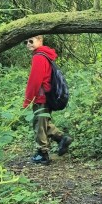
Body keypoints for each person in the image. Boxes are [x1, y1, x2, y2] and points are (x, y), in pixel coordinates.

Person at [22, 35, 72, 166]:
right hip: (46, 96)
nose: (28, 43)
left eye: (31, 41)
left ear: (40, 40)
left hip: (41, 97)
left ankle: (42, 154)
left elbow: (35, 81)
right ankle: (62, 138)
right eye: (26, 42)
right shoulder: (45, 55)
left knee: (39, 125)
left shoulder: (39, 57)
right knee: (44, 123)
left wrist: (27, 100)